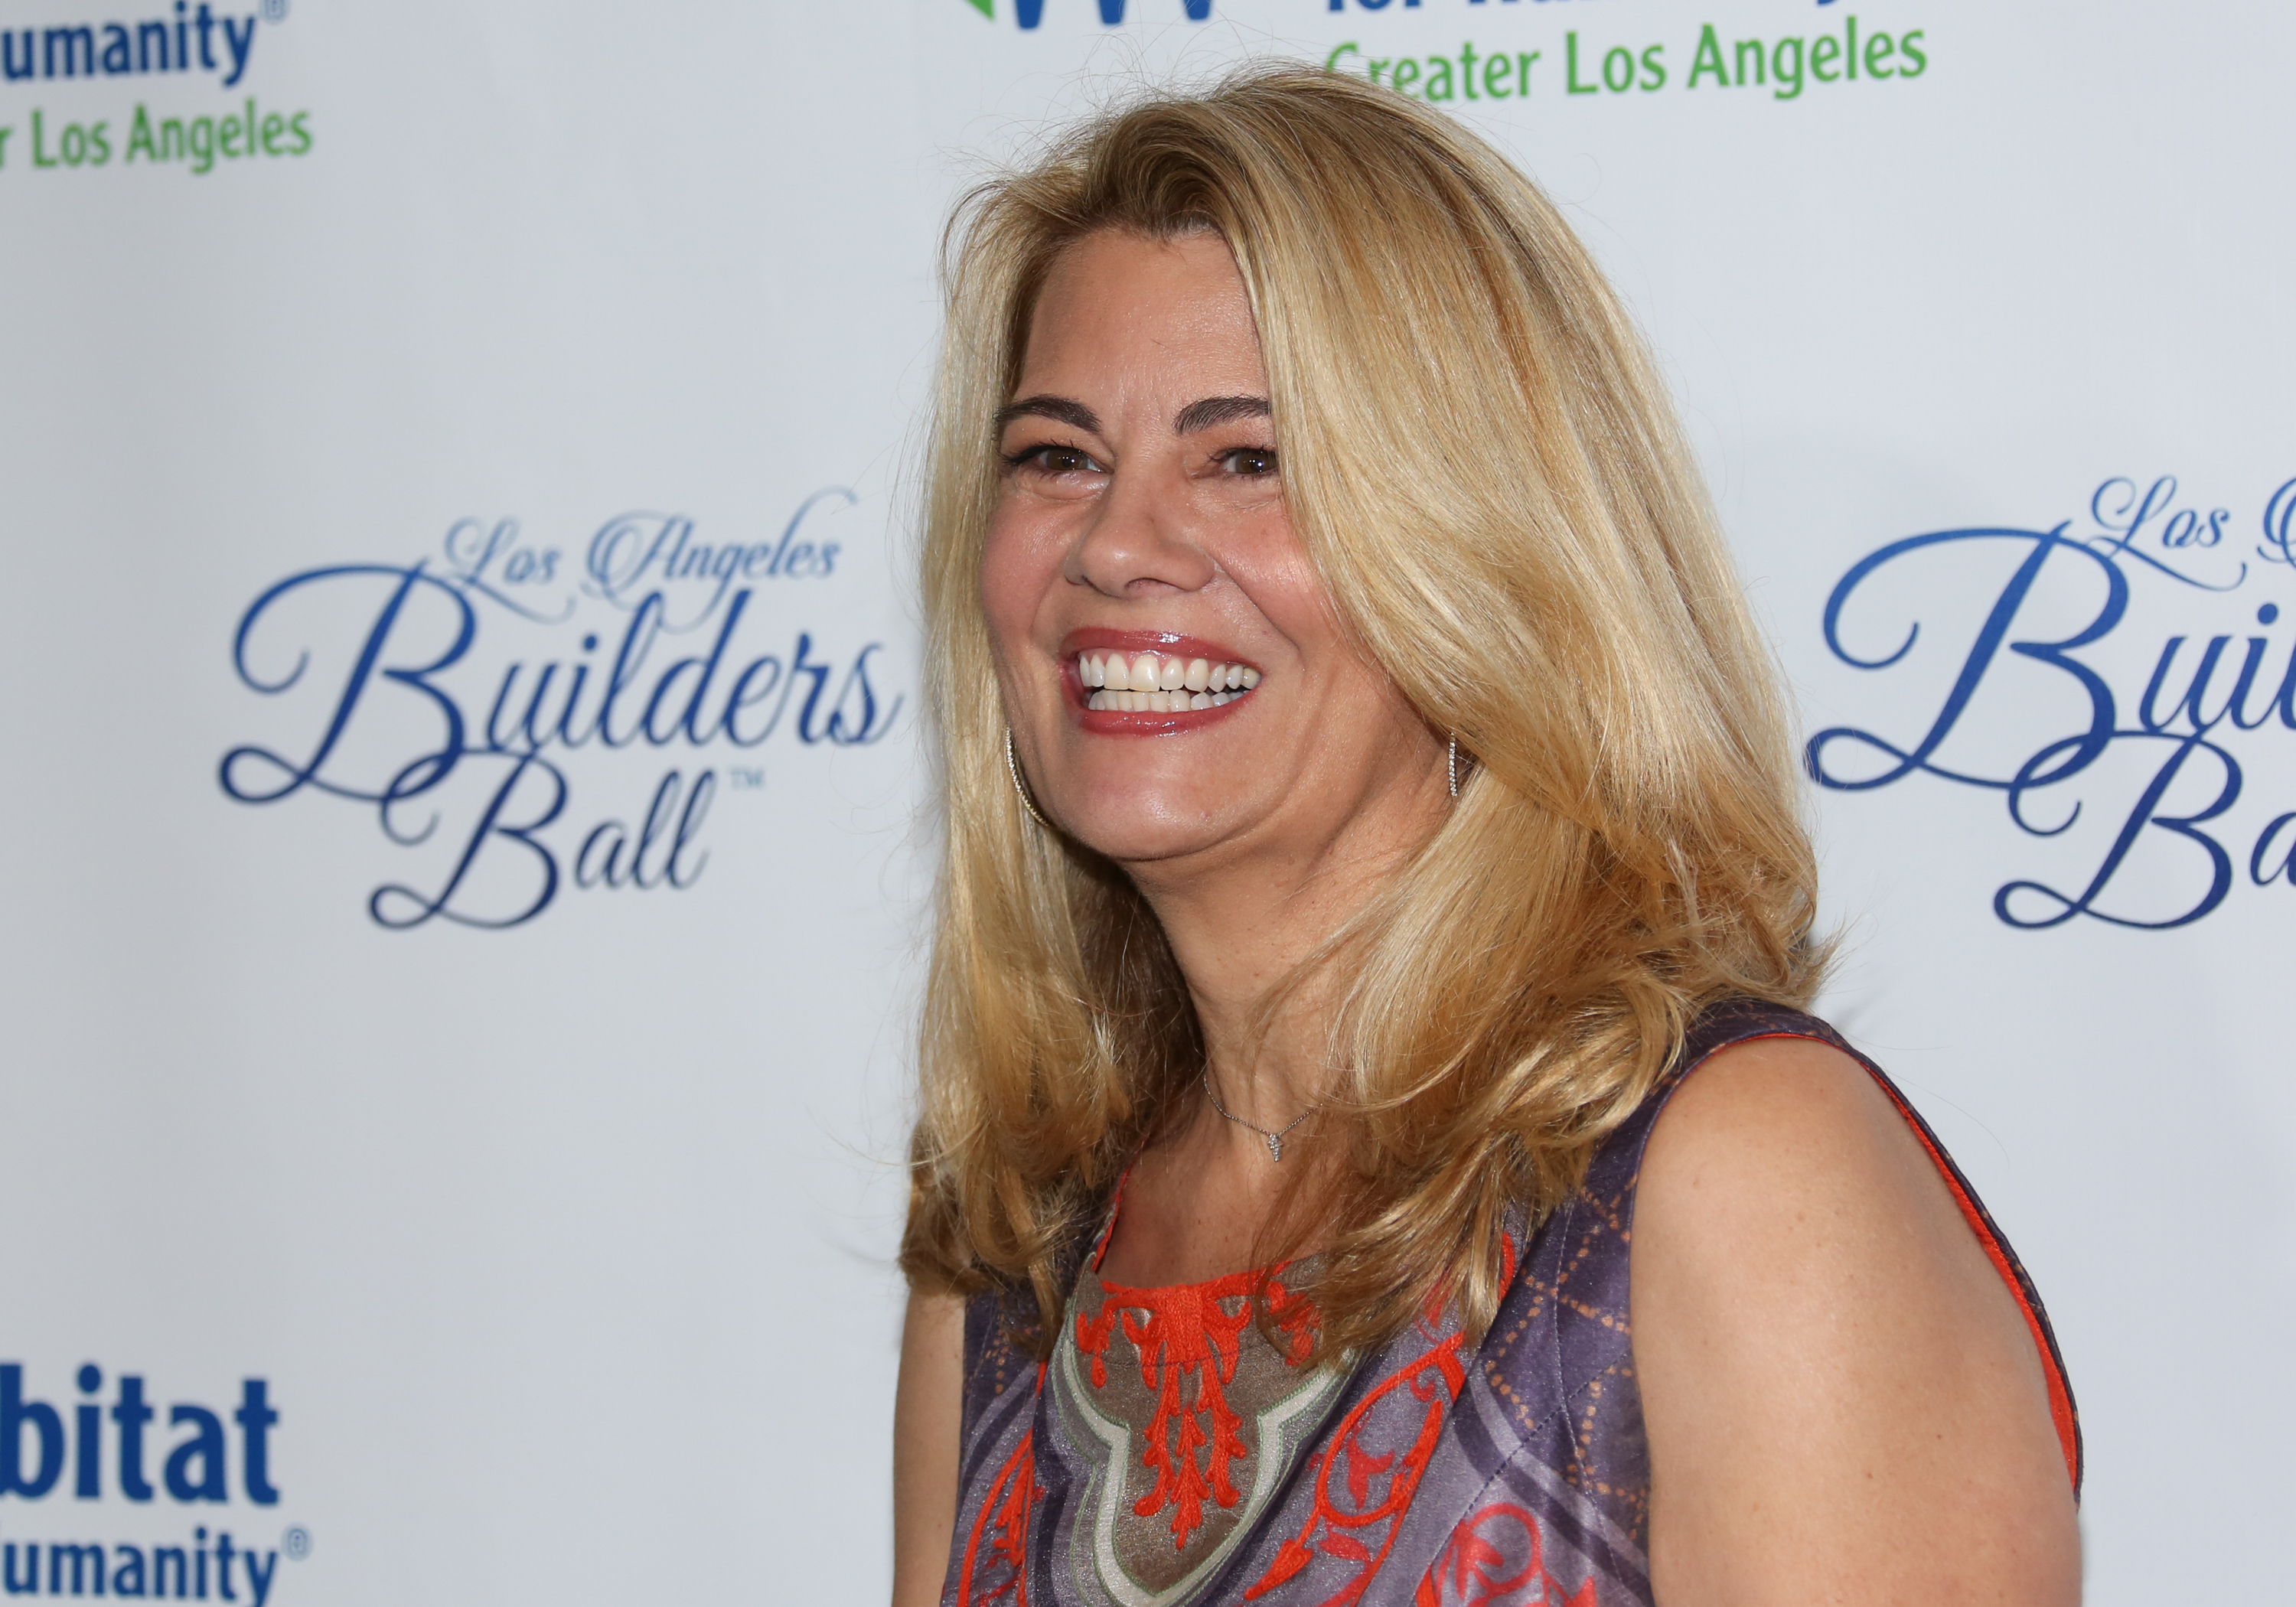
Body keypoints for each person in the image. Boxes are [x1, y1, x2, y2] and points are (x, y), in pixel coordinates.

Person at [890, 66, 2080, 1607]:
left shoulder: (1726, 1178)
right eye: (1058, 456)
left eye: (1248, 458)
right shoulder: (1011, 1246)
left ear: (1479, 543)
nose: (1118, 544)